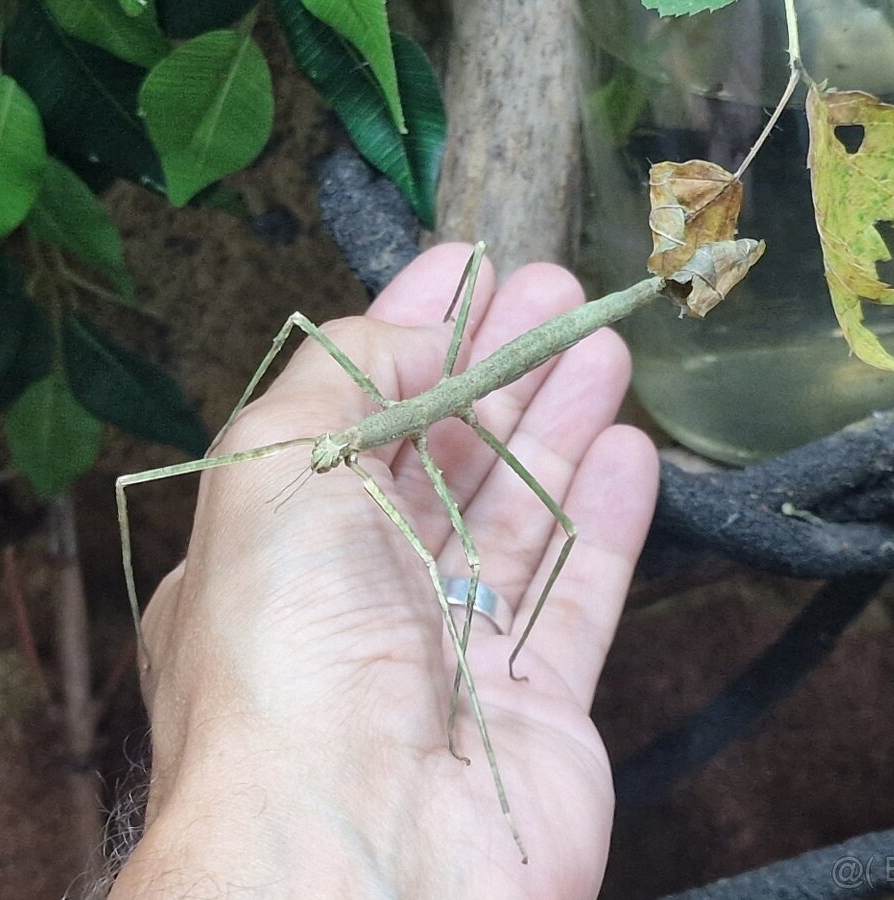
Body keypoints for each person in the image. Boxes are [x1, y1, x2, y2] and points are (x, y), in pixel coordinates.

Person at [105, 244, 659, 899]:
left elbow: (296, 326)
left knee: (537, 536)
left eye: (333, 453)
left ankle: (507, 809)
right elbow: (129, 483)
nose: (330, 455)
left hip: (482, 378)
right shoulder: (347, 444)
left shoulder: (408, 428)